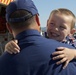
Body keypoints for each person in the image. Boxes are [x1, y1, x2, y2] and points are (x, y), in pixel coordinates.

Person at [5, 8, 76, 69]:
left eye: (62, 27)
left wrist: (72, 53)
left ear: (71, 32)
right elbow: (26, 43)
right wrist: (10, 45)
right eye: (52, 24)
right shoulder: (40, 37)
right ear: (47, 23)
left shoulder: (71, 42)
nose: (55, 29)